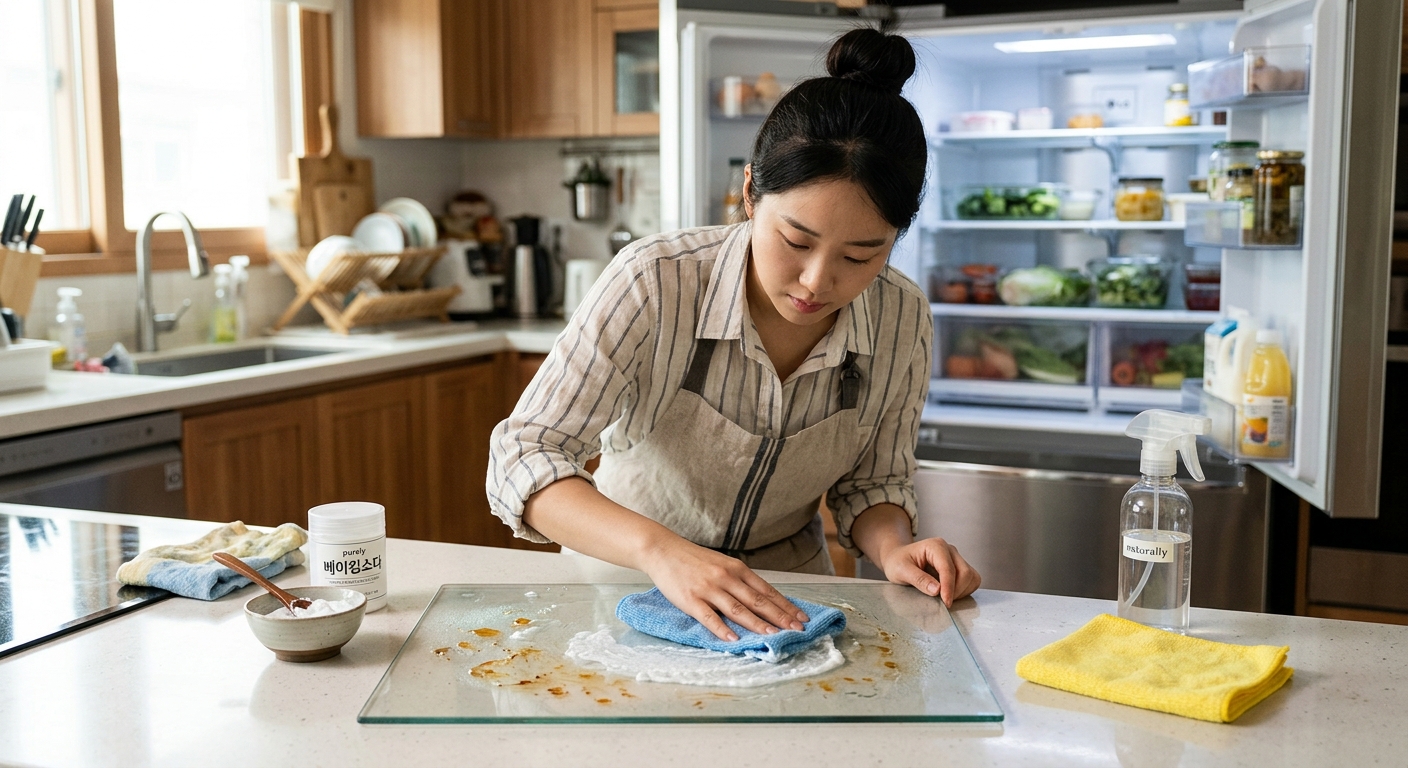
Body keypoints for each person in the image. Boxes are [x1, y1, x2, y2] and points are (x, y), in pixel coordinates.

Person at [488, 28, 980, 643]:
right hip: (622, 582)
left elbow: (873, 484)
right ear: (750, 193)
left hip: (786, 598)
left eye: (861, 255)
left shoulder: (902, 317)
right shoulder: (656, 281)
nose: (816, 281)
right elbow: (525, 454)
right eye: (796, 241)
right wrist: (662, 553)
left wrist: (894, 549)